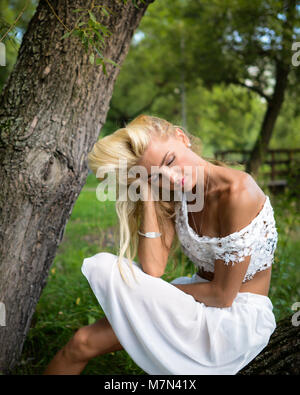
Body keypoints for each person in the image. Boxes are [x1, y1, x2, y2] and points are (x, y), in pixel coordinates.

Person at [43, 114, 278, 375]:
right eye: (156, 176)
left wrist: (159, 292)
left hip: (231, 320)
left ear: (182, 137)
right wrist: (148, 192)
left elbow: (222, 296)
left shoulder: (238, 193)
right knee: (81, 342)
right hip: (193, 301)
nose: (171, 177)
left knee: (105, 268)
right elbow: (154, 267)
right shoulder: (174, 193)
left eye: (170, 161)